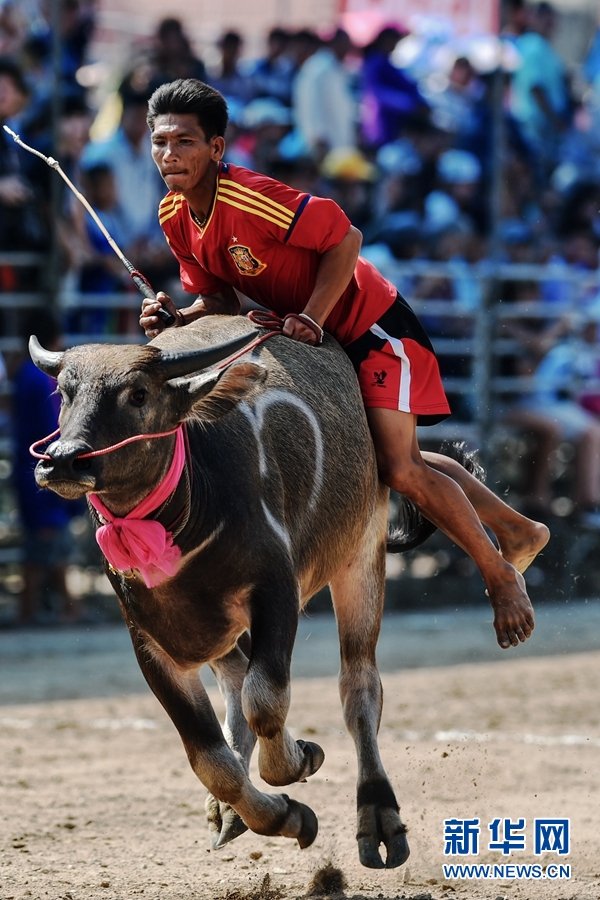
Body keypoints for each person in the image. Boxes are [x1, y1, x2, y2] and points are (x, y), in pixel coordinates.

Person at [139, 78, 549, 650]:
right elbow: (219, 301)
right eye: (159, 142)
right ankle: (518, 529)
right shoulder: (174, 215)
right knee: (387, 458)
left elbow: (346, 240)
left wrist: (310, 314)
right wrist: (177, 317)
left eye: (184, 141)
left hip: (372, 325)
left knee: (400, 468)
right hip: (321, 333)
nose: (168, 155)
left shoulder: (250, 197)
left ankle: (500, 573)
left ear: (217, 149)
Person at [13, 311, 80, 625]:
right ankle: (57, 608)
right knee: (49, 544)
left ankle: (38, 609)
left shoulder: (26, 374)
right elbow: (51, 428)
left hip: (27, 466)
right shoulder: (42, 380)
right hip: (44, 467)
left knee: (42, 544)